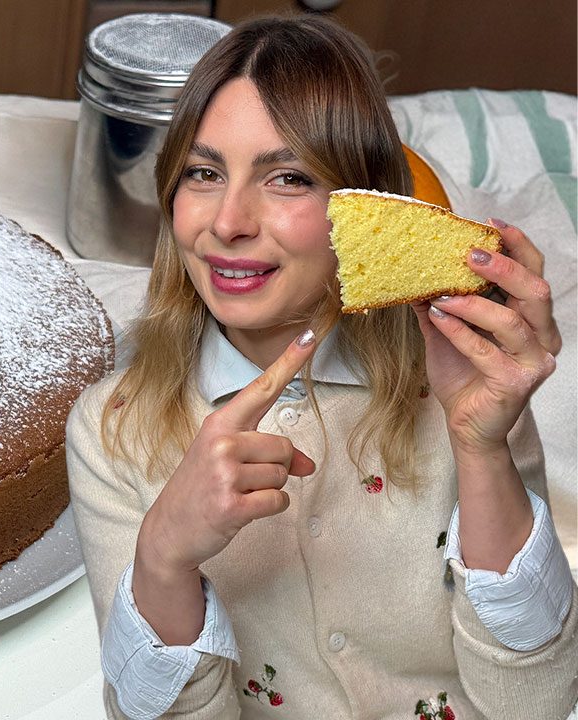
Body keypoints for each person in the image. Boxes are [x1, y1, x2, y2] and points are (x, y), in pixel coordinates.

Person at [65, 14, 577, 719]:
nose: (229, 222)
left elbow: (536, 703)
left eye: (287, 177)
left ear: (362, 206)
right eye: (204, 172)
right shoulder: (112, 429)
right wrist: (162, 559)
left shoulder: (463, 380)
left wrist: (482, 449)